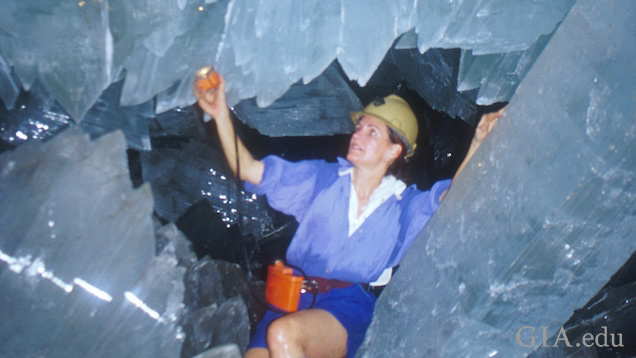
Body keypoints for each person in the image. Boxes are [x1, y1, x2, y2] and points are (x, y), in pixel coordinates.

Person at [194, 74, 504, 358]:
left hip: (346, 307)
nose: (358, 135)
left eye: (372, 131)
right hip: (291, 298)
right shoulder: (321, 180)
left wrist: (477, 142)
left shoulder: (404, 207)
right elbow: (249, 169)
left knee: (283, 337)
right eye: (359, 127)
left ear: (394, 150)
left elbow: (453, 200)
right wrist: (220, 113)